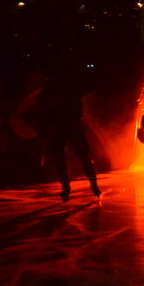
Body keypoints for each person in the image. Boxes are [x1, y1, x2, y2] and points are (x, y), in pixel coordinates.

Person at [37, 69, 101, 202]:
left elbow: (43, 116)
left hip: (67, 127)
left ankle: (82, 186)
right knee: (73, 159)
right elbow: (43, 116)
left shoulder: (54, 94)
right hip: (62, 128)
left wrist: (43, 132)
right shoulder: (49, 94)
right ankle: (73, 187)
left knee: (78, 158)